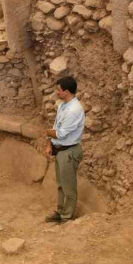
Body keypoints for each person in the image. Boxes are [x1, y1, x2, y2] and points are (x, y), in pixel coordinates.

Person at [43, 76, 85, 224]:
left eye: (59, 90)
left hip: (69, 151)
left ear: (66, 91)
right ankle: (60, 212)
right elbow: (55, 127)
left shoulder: (74, 110)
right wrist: (49, 145)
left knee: (69, 187)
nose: (57, 92)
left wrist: (46, 132)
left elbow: (60, 133)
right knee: (61, 184)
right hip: (60, 150)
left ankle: (67, 217)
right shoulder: (63, 105)